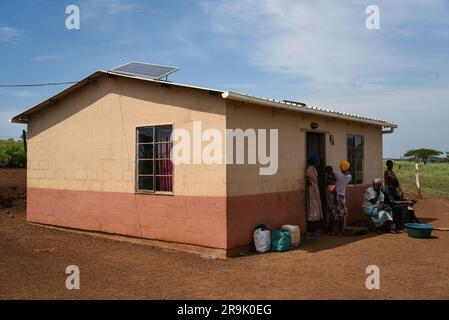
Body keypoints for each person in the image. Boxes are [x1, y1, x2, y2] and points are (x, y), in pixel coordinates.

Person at [305, 154, 323, 238]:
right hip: (312, 190)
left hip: (314, 189)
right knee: (312, 208)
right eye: (317, 162)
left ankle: (314, 229)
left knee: (315, 208)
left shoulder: (313, 169)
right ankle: (311, 229)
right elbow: (309, 179)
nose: (318, 163)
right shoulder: (310, 169)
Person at [333, 160, 352, 236]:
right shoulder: (349, 177)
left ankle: (334, 231)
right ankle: (340, 231)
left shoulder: (337, 174)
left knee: (335, 214)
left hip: (336, 195)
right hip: (342, 196)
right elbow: (347, 174)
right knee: (342, 214)